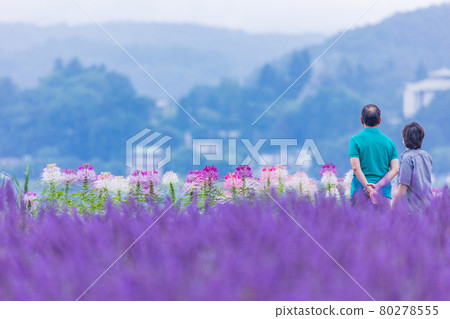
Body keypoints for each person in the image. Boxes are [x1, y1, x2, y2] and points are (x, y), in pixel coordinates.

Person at [349, 104, 399, 205]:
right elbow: (395, 169)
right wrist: (377, 187)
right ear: (380, 120)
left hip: (359, 192)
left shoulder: (355, 140)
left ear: (361, 120)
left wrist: (368, 188)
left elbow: (356, 168)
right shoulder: (390, 143)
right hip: (382, 194)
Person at [391, 122, 432, 211]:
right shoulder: (426, 156)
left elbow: (403, 186)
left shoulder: (407, 158)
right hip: (427, 206)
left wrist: (392, 208)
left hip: (412, 209)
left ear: (405, 140)